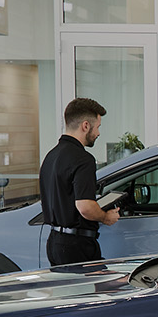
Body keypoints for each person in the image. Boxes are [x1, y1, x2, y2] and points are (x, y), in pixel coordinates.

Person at [38, 97, 119, 267]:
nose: (98, 133)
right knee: (91, 292)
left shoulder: (50, 157)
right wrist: (105, 217)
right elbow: (85, 207)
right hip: (77, 246)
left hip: (54, 242)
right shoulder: (83, 159)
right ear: (85, 126)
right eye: (98, 127)